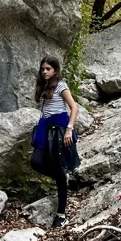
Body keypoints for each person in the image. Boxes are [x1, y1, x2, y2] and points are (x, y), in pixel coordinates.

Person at [30, 55, 79, 227]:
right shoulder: (43, 87)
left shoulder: (61, 86)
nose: (44, 71)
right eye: (43, 69)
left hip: (59, 130)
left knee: (58, 169)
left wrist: (69, 129)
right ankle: (61, 178)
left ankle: (61, 214)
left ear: (55, 70)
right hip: (44, 128)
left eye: (48, 69)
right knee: (36, 162)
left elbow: (74, 107)